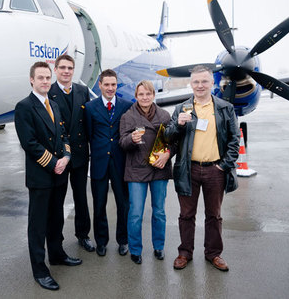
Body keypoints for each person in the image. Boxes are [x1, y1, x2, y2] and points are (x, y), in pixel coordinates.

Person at [165, 65, 240, 272]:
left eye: (204, 81)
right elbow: (168, 136)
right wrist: (178, 125)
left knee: (214, 215)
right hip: (188, 169)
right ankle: (184, 253)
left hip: (215, 170)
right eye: (196, 82)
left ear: (212, 83)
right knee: (186, 214)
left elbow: (234, 140)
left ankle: (213, 254)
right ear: (191, 84)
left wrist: (223, 166)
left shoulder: (225, 108)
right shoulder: (182, 109)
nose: (200, 85)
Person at [14, 61, 82, 291]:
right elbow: (29, 143)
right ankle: (40, 270)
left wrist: (66, 158)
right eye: (40, 78)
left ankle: (57, 254)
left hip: (59, 173)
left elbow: (63, 134)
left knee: (56, 218)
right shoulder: (24, 106)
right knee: (38, 224)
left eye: (47, 78)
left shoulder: (53, 104)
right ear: (31, 80)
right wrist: (54, 163)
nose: (45, 81)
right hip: (41, 176)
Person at [119, 80, 174, 264]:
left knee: (159, 211)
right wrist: (131, 139)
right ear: (136, 96)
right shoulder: (128, 116)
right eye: (141, 94)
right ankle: (135, 249)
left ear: (153, 95)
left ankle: (159, 246)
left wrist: (167, 155)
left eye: (148, 94)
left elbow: (173, 142)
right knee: (135, 212)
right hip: (136, 170)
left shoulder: (165, 115)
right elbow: (122, 143)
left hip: (159, 168)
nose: (145, 97)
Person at [48, 54, 94, 252]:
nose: (66, 71)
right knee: (57, 200)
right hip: (58, 157)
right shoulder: (48, 92)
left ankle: (83, 235)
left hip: (80, 154)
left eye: (70, 68)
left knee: (81, 197)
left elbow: (88, 120)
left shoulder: (82, 91)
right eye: (62, 68)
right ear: (55, 70)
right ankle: (55, 239)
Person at [84, 69, 133, 257]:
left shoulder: (126, 106)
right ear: (100, 86)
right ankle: (101, 241)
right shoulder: (90, 107)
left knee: (123, 204)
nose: (110, 88)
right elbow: (89, 134)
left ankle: (123, 240)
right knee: (99, 204)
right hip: (99, 162)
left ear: (116, 85)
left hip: (120, 162)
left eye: (113, 85)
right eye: (107, 85)